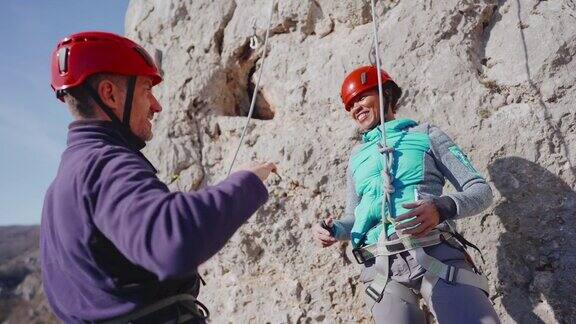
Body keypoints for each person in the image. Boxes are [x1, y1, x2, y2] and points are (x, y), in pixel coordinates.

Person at [41, 31, 276, 323]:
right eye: (145, 90)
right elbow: (172, 240)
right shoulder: (105, 165)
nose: (157, 105)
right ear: (109, 94)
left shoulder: (63, 184)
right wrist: (246, 181)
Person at [312, 66, 500, 323]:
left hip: (436, 253)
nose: (356, 106)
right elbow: (354, 217)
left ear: (387, 94)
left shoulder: (426, 136)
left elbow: (481, 191)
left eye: (362, 97)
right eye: (350, 104)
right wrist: (334, 230)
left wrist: (442, 207)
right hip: (381, 269)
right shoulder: (357, 159)